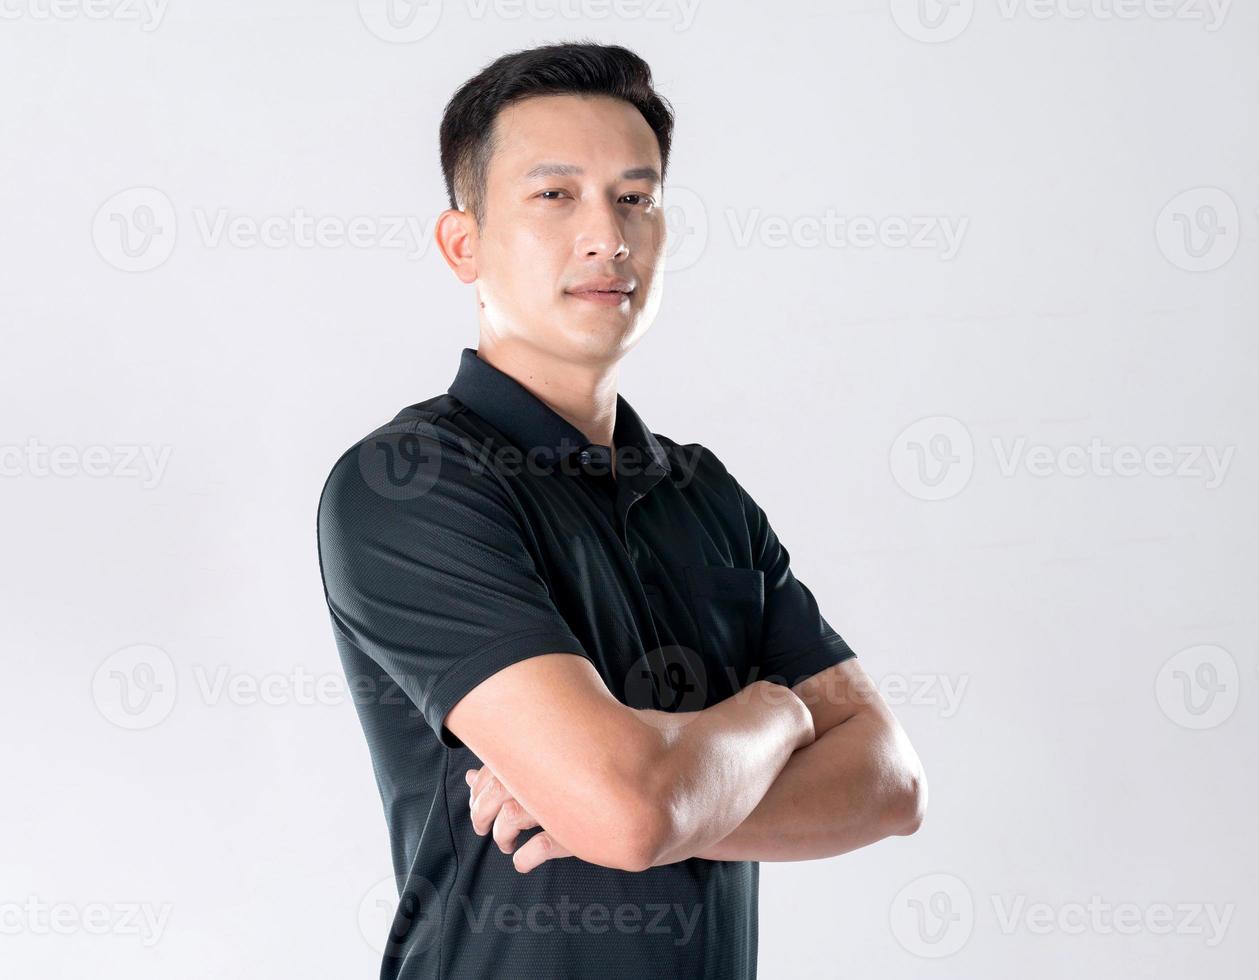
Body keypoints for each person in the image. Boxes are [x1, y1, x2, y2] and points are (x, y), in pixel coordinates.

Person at [317, 40, 927, 980]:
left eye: (634, 198)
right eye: (554, 195)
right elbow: (627, 811)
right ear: (463, 244)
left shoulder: (704, 492)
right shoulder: (409, 483)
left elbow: (890, 782)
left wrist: (653, 801)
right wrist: (774, 717)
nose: (607, 234)